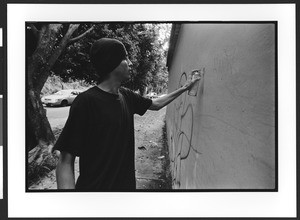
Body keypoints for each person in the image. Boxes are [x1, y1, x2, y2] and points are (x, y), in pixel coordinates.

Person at [54, 38, 201, 191]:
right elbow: (65, 161)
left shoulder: (127, 96)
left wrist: (185, 88)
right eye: (125, 58)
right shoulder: (85, 102)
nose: (130, 63)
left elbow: (156, 104)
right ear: (112, 63)